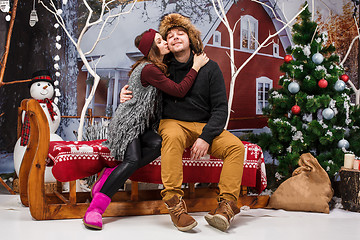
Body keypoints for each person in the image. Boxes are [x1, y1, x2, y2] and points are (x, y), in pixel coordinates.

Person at [121, 13, 245, 232]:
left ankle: (226, 207)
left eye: (180, 33)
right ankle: (175, 204)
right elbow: (140, 83)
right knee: (173, 135)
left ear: (191, 38)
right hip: (172, 123)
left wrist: (206, 137)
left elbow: (220, 109)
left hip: (203, 125)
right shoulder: (161, 66)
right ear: (165, 44)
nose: (175, 37)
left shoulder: (209, 67)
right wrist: (125, 95)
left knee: (235, 147)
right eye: (169, 35)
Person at [83, 28, 209, 230]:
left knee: (158, 143)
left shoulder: (157, 66)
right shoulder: (150, 69)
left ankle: (110, 173)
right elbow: (179, 90)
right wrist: (195, 66)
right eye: (160, 41)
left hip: (142, 124)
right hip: (129, 124)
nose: (166, 42)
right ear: (153, 48)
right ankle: (95, 208)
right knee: (132, 159)